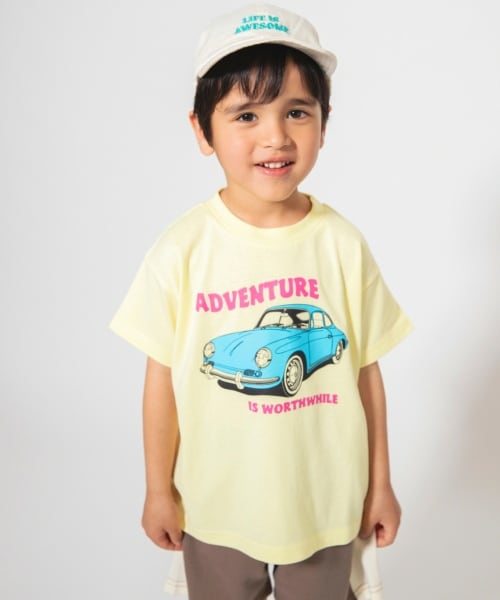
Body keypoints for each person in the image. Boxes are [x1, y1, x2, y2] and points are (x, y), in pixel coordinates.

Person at [110, 4, 413, 599]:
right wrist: (157, 488)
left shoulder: (341, 244)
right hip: (217, 500)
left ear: (324, 124)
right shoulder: (183, 248)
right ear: (202, 130)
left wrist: (379, 484)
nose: (275, 136)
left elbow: (365, 373)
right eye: (246, 114)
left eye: (296, 111)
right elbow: (163, 379)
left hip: (325, 500)